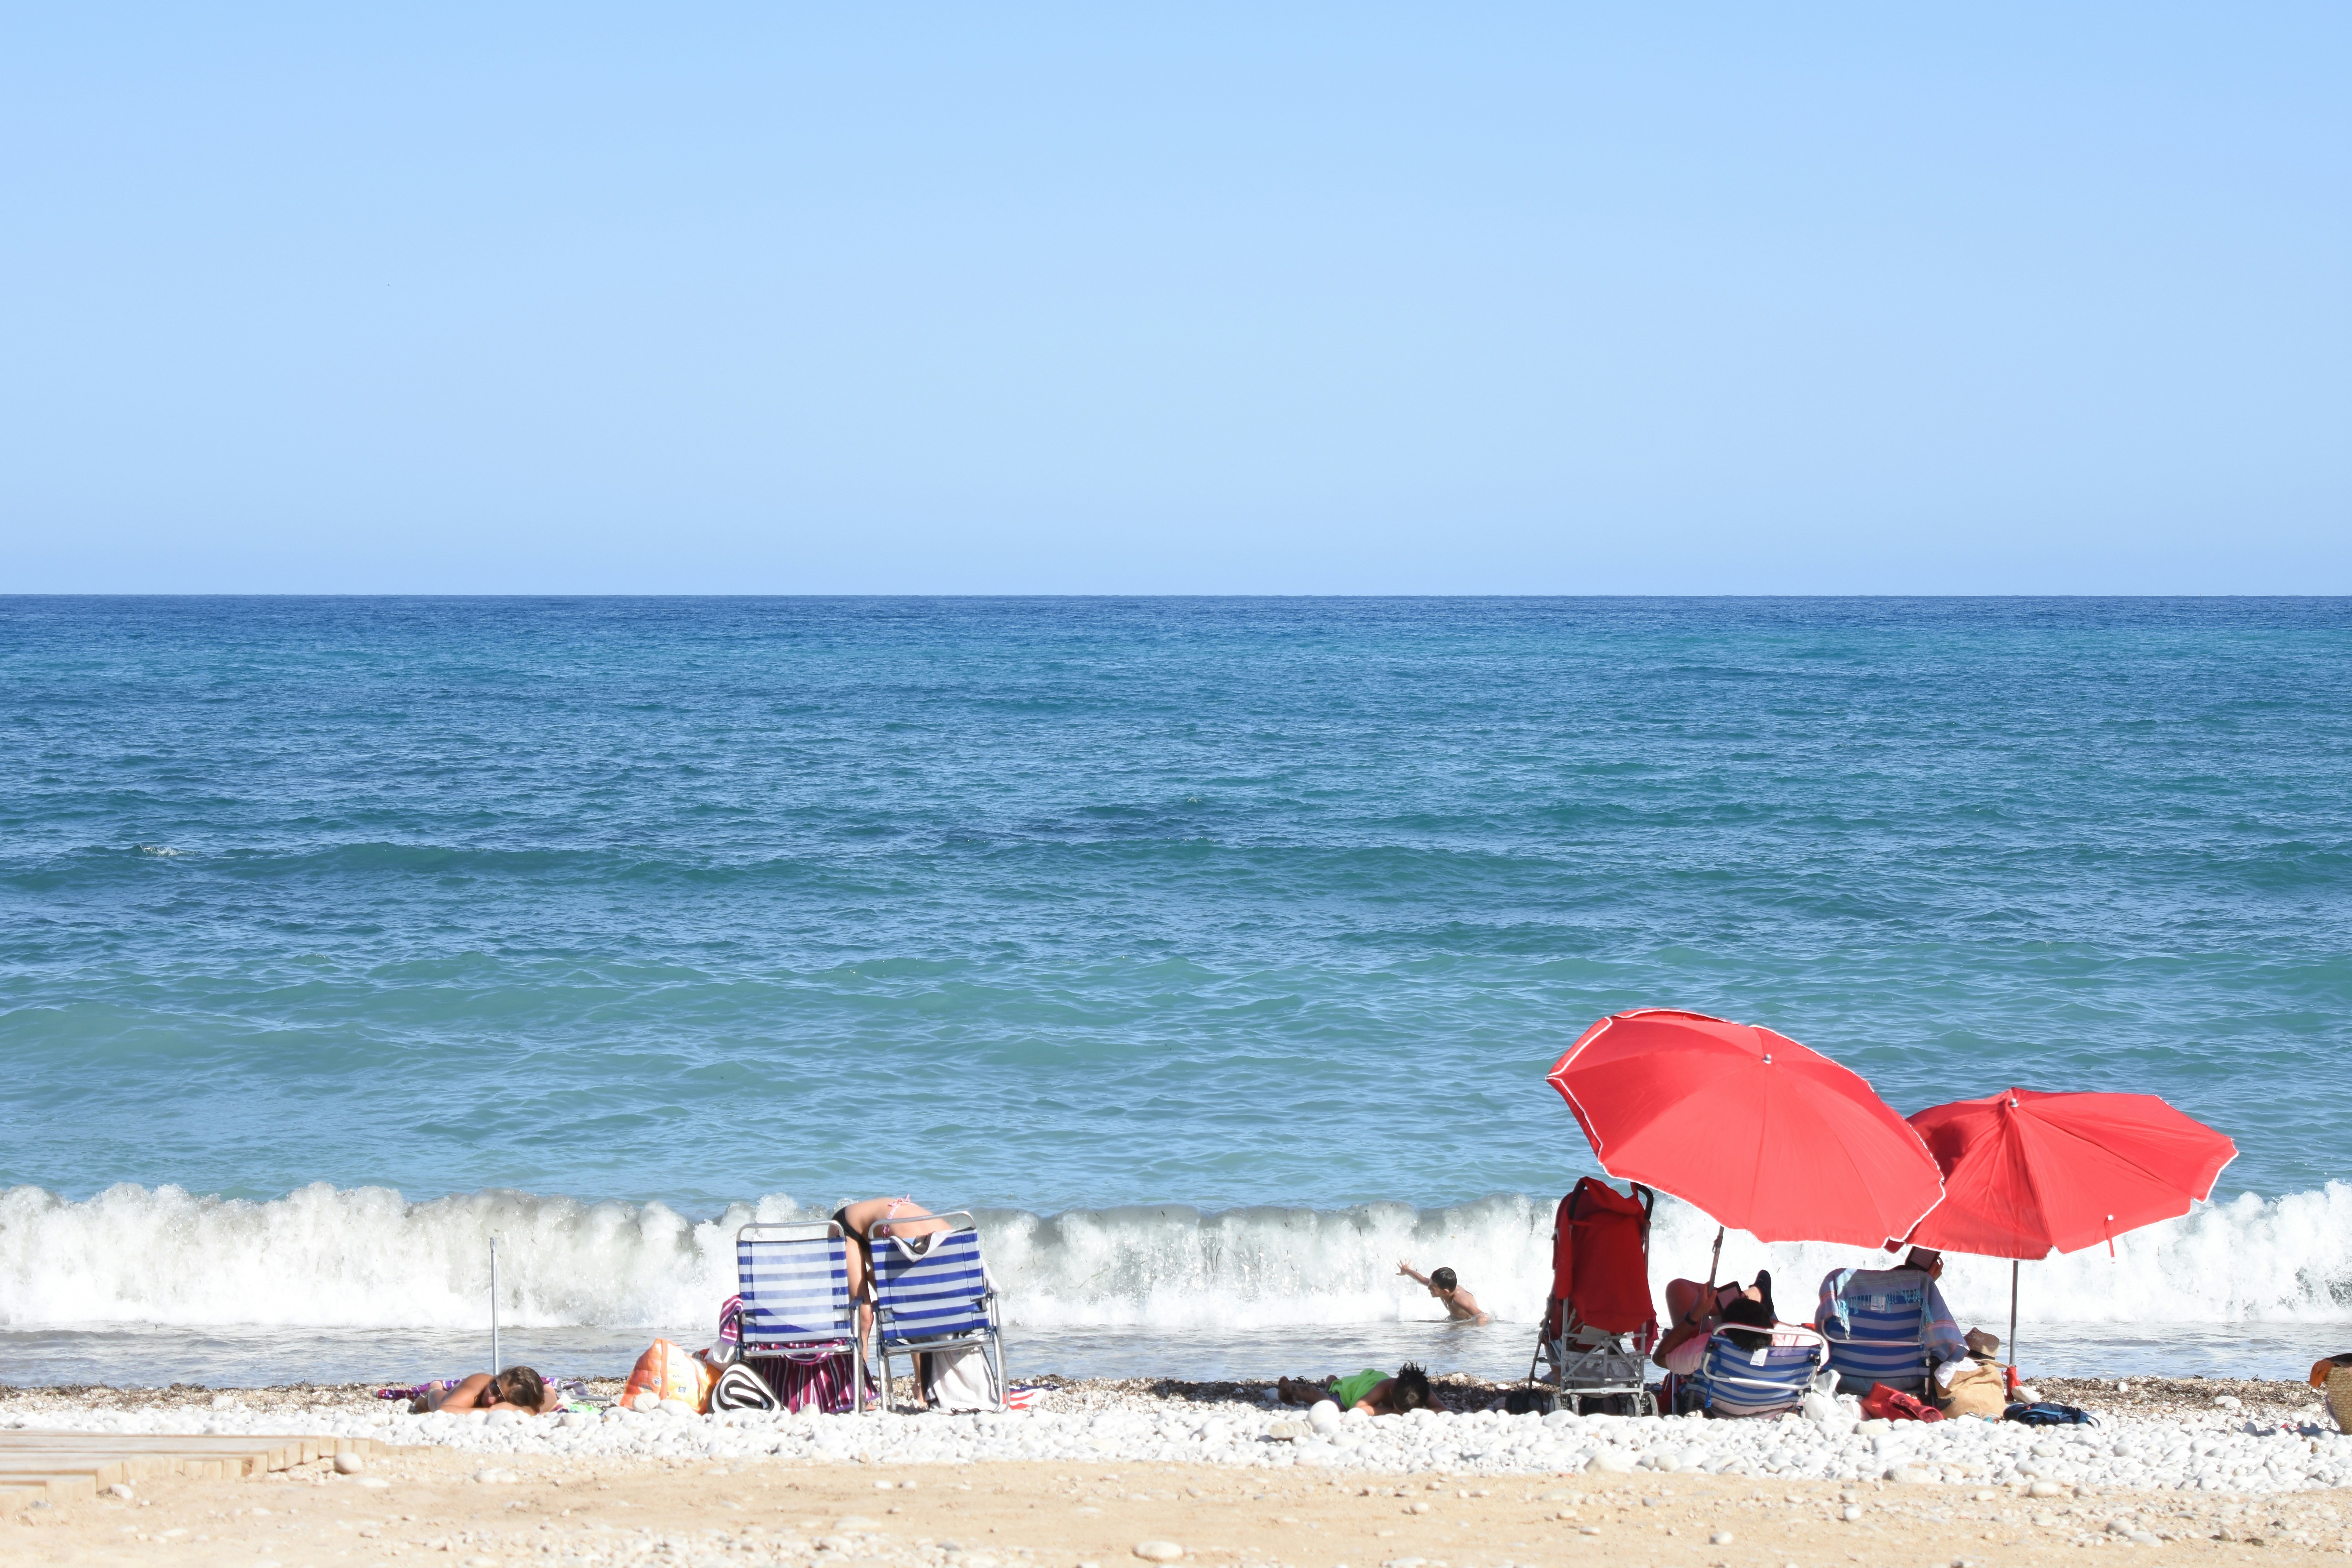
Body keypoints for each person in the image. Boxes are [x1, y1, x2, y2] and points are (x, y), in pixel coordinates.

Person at [1815, 1246, 1969, 1368]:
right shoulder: (1925, 1291)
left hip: (1844, 1376)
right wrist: (1926, 1283)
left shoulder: (1836, 1282)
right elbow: (1950, 1351)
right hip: (1907, 1381)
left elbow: (1823, 1333)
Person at [1653, 1272, 1775, 1377]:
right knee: (1680, 1289)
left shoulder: (1705, 1348)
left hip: (1711, 1389)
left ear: (1724, 1330)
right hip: (1772, 1400)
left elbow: (1659, 1358)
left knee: (1678, 1288)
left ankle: (1755, 1295)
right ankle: (1755, 1295)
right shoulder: (1787, 1348)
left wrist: (1693, 1317)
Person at [1276, 1363, 1441, 1414]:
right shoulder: (1385, 1387)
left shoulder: (1419, 1389)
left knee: (1334, 1387)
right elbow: (1358, 1409)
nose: (1402, 1415)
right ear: (1392, 1393)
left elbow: (1443, 1410)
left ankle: (1332, 1381)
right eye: (1400, 1410)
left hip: (1360, 1382)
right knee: (1323, 1400)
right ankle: (1290, 1388)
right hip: (1349, 1393)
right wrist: (1391, 1412)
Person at [408, 1365, 559, 1415]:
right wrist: (491, 1411)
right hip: (443, 1398)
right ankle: (434, 1387)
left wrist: (549, 1389)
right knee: (432, 1399)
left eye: (502, 1401)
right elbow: (444, 1410)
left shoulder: (522, 1403)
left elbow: (549, 1399)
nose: (492, 1400)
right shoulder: (478, 1387)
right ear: (495, 1379)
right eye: (495, 1389)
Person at [1398, 1261, 1490, 1324]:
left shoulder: (1458, 1300)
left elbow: (1482, 1316)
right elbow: (1420, 1279)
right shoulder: (1440, 1287)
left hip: (1467, 1323)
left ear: (1445, 1292)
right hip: (1455, 1318)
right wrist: (1406, 1270)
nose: (1429, 1288)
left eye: (1432, 1287)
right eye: (1430, 1284)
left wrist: (1477, 1334)